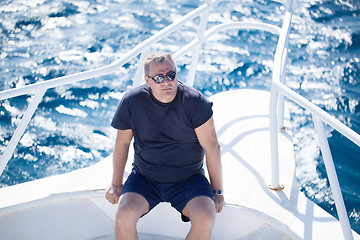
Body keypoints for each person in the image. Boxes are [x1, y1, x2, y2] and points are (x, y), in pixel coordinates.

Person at [105, 52, 224, 240]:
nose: (166, 82)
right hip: (145, 178)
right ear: (147, 80)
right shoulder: (132, 101)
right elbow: (123, 142)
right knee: (123, 216)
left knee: (206, 218)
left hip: (188, 179)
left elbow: (212, 147)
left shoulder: (194, 101)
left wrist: (217, 191)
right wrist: (116, 183)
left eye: (171, 75)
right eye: (159, 78)